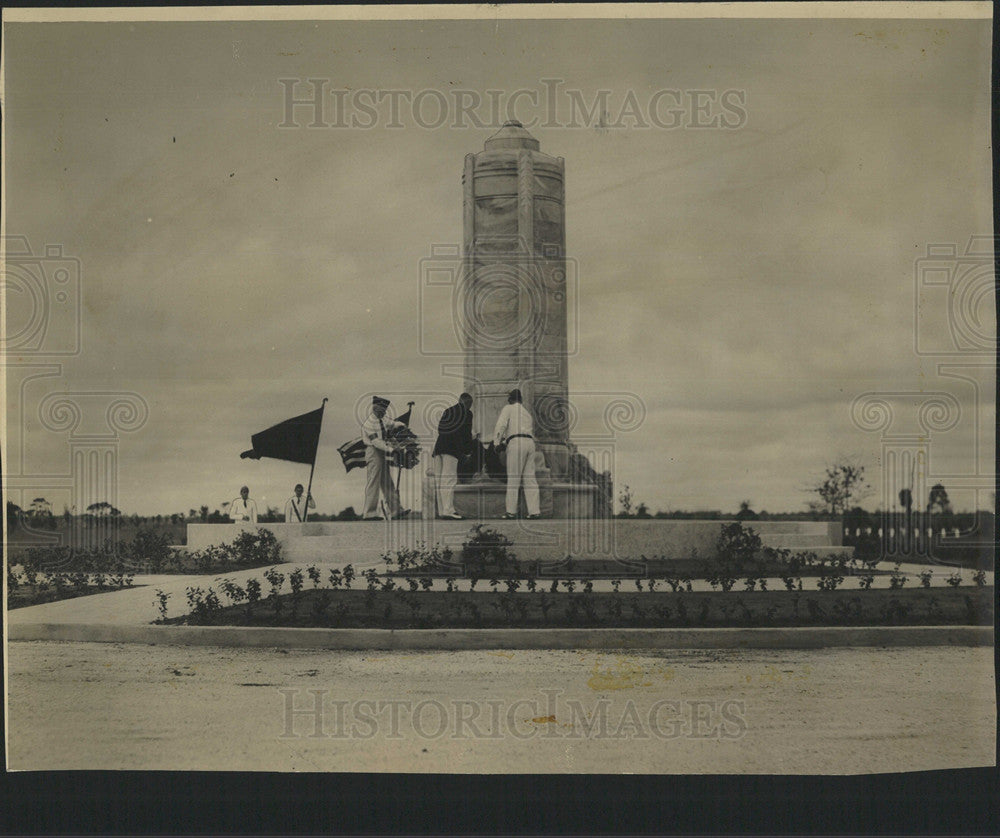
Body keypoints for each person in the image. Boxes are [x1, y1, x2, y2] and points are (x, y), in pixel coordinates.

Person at [492, 389, 541, 519]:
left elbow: (501, 425)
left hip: (516, 442)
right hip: (530, 444)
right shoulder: (527, 413)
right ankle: (534, 511)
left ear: (511, 399)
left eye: (509, 398)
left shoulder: (509, 408)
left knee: (513, 478)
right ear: (521, 400)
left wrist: (496, 443)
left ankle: (511, 512)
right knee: (529, 478)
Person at [361, 395, 410, 520]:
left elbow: (392, 423)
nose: (384, 412)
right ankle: (369, 513)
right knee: (373, 482)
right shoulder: (368, 424)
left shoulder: (382, 419)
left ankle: (396, 510)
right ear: (375, 409)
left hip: (382, 452)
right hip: (373, 452)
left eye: (385, 410)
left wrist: (402, 425)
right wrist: (392, 450)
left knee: (388, 482)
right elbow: (376, 442)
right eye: (382, 410)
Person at [432, 392, 474, 520]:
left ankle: (442, 511)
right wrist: (467, 451)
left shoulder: (448, 410)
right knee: (449, 479)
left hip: (439, 447)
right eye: (470, 404)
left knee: (440, 480)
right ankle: (449, 510)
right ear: (468, 403)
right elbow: (466, 433)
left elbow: (440, 429)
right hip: (452, 449)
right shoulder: (467, 413)